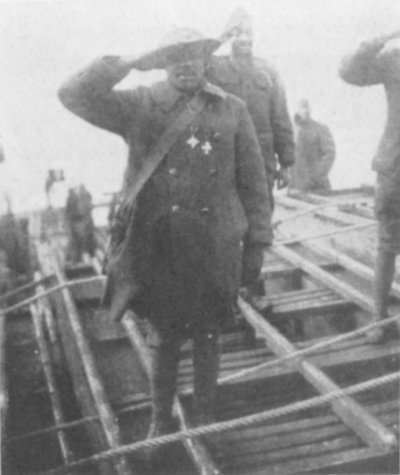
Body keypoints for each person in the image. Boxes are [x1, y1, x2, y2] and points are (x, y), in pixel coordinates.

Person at [58, 28, 273, 441]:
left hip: (214, 244)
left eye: (194, 55)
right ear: (160, 63)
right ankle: (160, 420)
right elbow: (72, 95)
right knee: (165, 337)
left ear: (207, 60)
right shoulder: (140, 105)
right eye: (175, 56)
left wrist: (258, 243)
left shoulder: (232, 109)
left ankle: (206, 417)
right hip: (160, 246)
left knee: (209, 333)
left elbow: (254, 183)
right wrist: (124, 63)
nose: (186, 63)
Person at [339, 32, 400, 344]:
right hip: (395, 166)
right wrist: (379, 39)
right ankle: (379, 316)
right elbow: (350, 71)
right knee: (388, 244)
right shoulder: (394, 60)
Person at [206, 8, 295, 206]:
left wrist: (286, 163)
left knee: (261, 211)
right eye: (238, 33)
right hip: (225, 155)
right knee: (224, 212)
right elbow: (195, 60)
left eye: (249, 33)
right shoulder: (215, 67)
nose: (245, 38)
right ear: (230, 36)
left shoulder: (268, 70)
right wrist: (221, 38)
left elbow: (280, 118)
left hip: (262, 157)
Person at [290, 99, 336, 192]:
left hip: (317, 186)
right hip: (296, 186)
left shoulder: (320, 129)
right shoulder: (290, 130)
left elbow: (330, 154)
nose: (305, 110)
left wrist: (316, 176)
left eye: (306, 107)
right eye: (302, 107)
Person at [65, 183, 96, 263]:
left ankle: (85, 257)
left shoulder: (82, 197)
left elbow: (82, 209)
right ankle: (85, 257)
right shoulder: (79, 197)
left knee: (82, 240)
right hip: (80, 221)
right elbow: (76, 210)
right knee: (81, 240)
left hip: (81, 221)